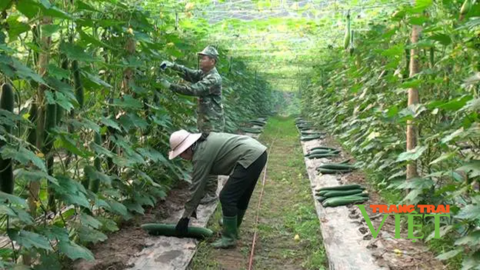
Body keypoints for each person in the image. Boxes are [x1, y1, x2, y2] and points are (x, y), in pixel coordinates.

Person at [168, 130, 267, 249]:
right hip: (259, 153)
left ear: (187, 149)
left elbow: (196, 187)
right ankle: (233, 226)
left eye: (180, 154)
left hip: (250, 156)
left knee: (227, 196)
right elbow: (208, 177)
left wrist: (185, 217)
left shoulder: (201, 156)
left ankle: (229, 238)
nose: (181, 158)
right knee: (242, 195)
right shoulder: (203, 144)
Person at [160, 45, 225, 204]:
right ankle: (205, 189)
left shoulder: (213, 78)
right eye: (200, 57)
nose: (201, 60)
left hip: (212, 123)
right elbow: (190, 74)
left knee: (209, 155)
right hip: (206, 121)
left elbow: (193, 90)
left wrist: (171, 86)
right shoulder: (204, 74)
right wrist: (173, 66)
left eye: (204, 58)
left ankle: (210, 192)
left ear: (212, 61)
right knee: (204, 153)